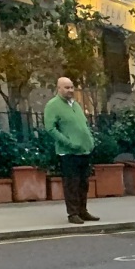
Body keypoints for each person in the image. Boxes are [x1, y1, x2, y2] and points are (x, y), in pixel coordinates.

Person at [43, 76, 97, 224]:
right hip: (68, 152)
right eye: (66, 87)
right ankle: (72, 213)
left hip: (84, 150)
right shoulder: (52, 105)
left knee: (83, 183)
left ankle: (82, 211)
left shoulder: (75, 105)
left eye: (72, 87)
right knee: (71, 183)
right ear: (58, 88)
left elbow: (83, 125)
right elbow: (50, 128)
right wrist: (69, 143)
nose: (70, 90)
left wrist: (90, 142)